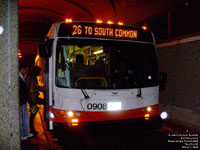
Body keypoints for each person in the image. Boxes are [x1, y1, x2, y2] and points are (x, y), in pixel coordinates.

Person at [26, 66, 44, 135]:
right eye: (39, 71)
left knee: (33, 114)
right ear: (36, 71)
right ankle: (32, 130)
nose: (39, 73)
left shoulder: (32, 77)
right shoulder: (32, 78)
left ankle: (32, 129)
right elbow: (33, 90)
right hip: (32, 99)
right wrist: (34, 102)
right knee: (33, 115)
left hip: (32, 98)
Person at [19, 64, 33, 140]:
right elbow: (22, 89)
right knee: (21, 119)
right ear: (21, 69)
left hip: (23, 101)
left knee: (25, 118)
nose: (27, 72)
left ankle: (25, 133)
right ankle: (22, 135)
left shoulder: (22, 77)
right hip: (21, 101)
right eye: (26, 70)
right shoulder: (19, 78)